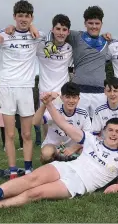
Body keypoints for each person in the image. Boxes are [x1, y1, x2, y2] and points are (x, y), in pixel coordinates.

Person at [0, 92, 118, 215]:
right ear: (104, 131)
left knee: (35, 193)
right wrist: (48, 104)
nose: (114, 134)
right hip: (66, 167)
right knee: (30, 179)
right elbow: (64, 124)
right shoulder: (92, 140)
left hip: (79, 183)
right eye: (111, 130)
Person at [0, 0, 46, 178]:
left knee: (26, 133)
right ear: (14, 17)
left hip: (26, 88)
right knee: (9, 134)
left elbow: (54, 37)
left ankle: (27, 169)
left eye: (27, 16)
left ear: (31, 17)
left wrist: (33, 27)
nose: (23, 19)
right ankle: (11, 171)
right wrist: (8, 27)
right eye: (20, 16)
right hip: (7, 88)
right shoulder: (5, 34)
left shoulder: (37, 35)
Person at [44, 6, 112, 117]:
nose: (94, 26)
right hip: (79, 92)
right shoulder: (76, 36)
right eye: (90, 23)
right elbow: (53, 31)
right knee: (78, 129)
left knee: (99, 130)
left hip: (100, 93)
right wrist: (48, 44)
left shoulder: (106, 41)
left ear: (101, 24)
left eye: (97, 23)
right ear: (85, 23)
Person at [37, 14, 74, 145]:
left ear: (68, 32)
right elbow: (33, 33)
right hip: (45, 94)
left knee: (64, 130)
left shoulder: (70, 48)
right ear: (52, 29)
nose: (61, 33)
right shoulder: (41, 46)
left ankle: (64, 160)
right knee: (47, 132)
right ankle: (48, 159)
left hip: (62, 95)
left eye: (64, 30)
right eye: (58, 29)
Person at [33, 82, 91, 164]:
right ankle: (50, 171)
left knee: (86, 151)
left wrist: (74, 147)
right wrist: (45, 104)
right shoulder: (54, 110)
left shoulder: (83, 113)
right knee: (46, 153)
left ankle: (78, 172)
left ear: (78, 99)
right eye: (68, 97)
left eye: (74, 97)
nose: (71, 101)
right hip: (54, 147)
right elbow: (35, 122)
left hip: (73, 148)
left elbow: (88, 137)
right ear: (61, 98)